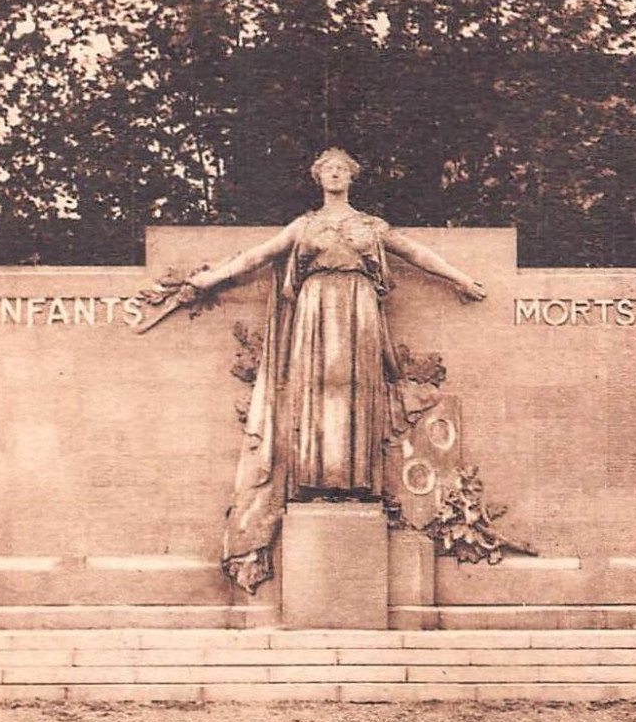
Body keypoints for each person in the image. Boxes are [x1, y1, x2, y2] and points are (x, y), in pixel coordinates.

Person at [185, 148, 486, 591]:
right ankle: (315, 480)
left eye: (342, 169)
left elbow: (415, 252)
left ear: (351, 177)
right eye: (328, 169)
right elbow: (255, 256)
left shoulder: (369, 226)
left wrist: (459, 277)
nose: (335, 174)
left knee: (354, 390)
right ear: (317, 177)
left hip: (359, 305)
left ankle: (355, 484)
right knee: (319, 390)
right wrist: (209, 280)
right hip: (314, 308)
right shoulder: (304, 226)